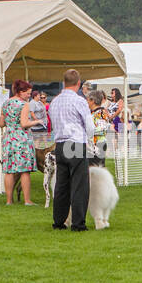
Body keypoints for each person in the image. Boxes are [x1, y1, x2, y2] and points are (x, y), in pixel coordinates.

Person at [52, 69, 94, 231]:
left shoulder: (55, 101)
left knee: (61, 185)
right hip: (75, 144)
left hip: (60, 145)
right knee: (79, 185)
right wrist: (87, 137)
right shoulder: (79, 101)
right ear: (78, 83)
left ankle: (59, 221)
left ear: (64, 82)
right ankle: (78, 223)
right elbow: (89, 127)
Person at [0, 79, 38, 205]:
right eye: (28, 93)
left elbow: (1, 124)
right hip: (21, 138)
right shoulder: (24, 104)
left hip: (9, 138)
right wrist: (36, 122)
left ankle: (9, 201)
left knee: (9, 170)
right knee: (24, 170)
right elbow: (24, 123)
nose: (29, 96)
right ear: (21, 92)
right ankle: (27, 200)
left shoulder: (5, 103)